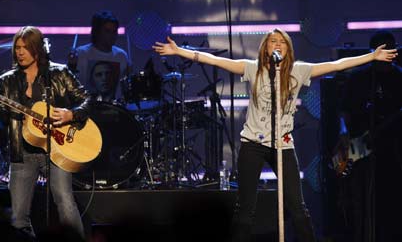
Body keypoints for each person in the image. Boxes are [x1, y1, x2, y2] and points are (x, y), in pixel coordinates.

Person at [152, 28, 397, 242]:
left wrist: (372, 56)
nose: (276, 44)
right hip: (253, 144)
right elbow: (213, 60)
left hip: (283, 145)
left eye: (281, 41)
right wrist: (180, 52)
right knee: (245, 207)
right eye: (272, 41)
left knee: (297, 206)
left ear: (287, 48)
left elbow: (336, 65)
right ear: (265, 48)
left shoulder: (299, 71)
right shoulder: (253, 68)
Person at [0, 26, 89, 239]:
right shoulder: (6, 81)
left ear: (38, 49)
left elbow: (88, 101)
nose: (20, 52)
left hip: (57, 149)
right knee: (17, 216)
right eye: (17, 48)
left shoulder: (59, 73)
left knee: (65, 202)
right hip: (22, 152)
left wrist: (71, 115)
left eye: (25, 48)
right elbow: (3, 122)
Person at [336, 30, 402, 242]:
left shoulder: (399, 77)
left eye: (392, 47)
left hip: (392, 148)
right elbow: (343, 110)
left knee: (390, 200)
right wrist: (344, 132)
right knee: (359, 201)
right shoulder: (359, 77)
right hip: (360, 146)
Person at [68, 10, 131, 102]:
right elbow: (69, 85)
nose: (112, 35)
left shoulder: (121, 55)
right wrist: (71, 65)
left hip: (113, 111)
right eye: (107, 31)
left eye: (114, 31)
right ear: (97, 32)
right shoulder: (81, 53)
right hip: (85, 110)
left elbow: (124, 89)